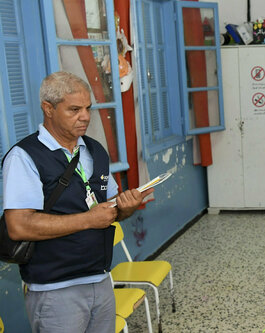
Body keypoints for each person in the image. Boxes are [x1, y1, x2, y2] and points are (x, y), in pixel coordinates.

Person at [2, 71, 154, 333]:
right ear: (48, 108)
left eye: (87, 108)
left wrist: (125, 206)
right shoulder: (24, 157)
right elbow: (19, 226)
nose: (84, 116)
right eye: (74, 109)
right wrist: (88, 220)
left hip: (101, 278)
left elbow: (109, 208)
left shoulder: (94, 150)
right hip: (55, 290)